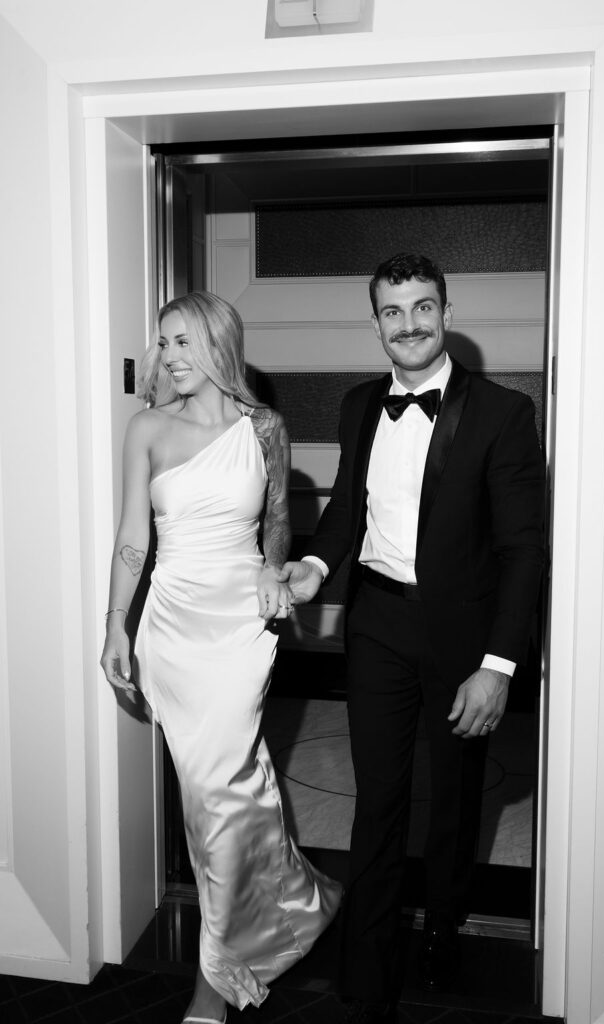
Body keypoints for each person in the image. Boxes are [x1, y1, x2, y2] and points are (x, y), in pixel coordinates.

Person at [281, 254, 546, 1023]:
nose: (409, 324)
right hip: (378, 624)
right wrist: (310, 567)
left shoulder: (502, 412)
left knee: (455, 798)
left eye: (422, 308)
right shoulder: (358, 403)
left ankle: (442, 923)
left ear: (446, 312)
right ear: (376, 323)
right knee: (379, 794)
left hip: (464, 635)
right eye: (393, 312)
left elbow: (522, 550)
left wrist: (497, 666)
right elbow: (344, 514)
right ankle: (365, 966)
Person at [100, 291, 342, 1024]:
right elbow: (133, 542)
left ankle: (217, 975)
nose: (167, 356)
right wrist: (115, 626)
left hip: (240, 630)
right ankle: (290, 906)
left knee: (224, 794)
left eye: (182, 342)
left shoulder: (263, 427)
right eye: (163, 343)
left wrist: (276, 575)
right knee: (218, 799)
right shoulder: (146, 428)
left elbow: (275, 526)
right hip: (171, 629)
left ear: (216, 346)